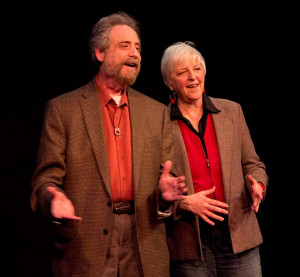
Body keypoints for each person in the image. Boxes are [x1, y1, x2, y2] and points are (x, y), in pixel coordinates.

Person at [30, 12, 186, 277]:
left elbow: (164, 177)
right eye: (125, 46)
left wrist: (166, 195)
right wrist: (53, 198)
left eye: (138, 48)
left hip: (144, 245)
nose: (135, 53)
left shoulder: (155, 112)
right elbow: (45, 181)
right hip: (85, 246)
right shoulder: (63, 109)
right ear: (100, 52)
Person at [160, 41, 269, 277]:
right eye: (182, 72)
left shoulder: (231, 111)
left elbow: (253, 164)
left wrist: (257, 185)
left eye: (197, 69)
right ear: (169, 82)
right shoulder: (158, 123)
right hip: (190, 242)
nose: (192, 77)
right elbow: (151, 186)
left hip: (238, 234)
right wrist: (184, 203)